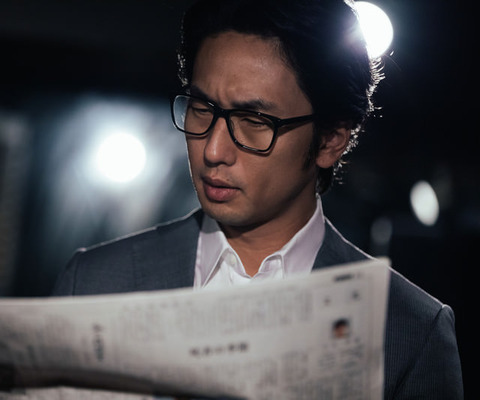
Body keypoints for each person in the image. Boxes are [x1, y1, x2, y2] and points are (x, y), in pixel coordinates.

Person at [53, 0, 463, 398]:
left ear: (330, 140)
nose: (214, 150)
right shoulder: (94, 283)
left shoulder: (409, 330)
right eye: (202, 108)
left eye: (253, 121)